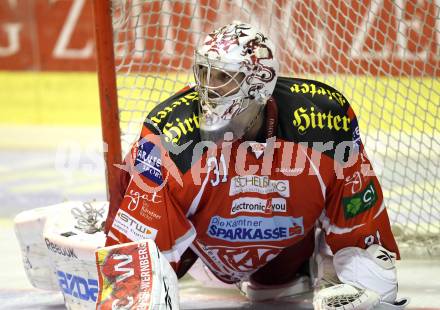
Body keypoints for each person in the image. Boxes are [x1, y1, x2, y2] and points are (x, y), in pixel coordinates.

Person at [104, 22, 408, 309]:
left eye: (223, 77)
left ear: (258, 81)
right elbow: (137, 261)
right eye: (203, 73)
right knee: (136, 286)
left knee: (377, 283)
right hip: (195, 253)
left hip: (284, 254)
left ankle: (306, 268)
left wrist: (368, 290)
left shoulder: (325, 118)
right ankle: (92, 232)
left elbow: (360, 225)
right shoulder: (168, 135)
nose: (208, 88)